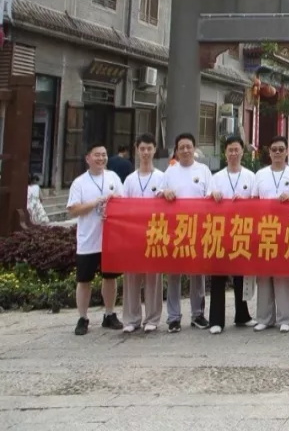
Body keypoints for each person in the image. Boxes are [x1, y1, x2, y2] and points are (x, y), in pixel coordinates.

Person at [68, 142, 125, 335]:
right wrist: (94, 203)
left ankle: (109, 314)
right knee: (84, 280)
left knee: (110, 278)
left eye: (104, 154)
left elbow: (123, 201)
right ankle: (82, 318)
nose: (101, 158)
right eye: (97, 155)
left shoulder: (113, 177)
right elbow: (73, 209)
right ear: (88, 158)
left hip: (109, 239)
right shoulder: (79, 182)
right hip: (88, 240)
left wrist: (114, 202)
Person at [161, 132, 213, 332]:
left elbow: (210, 195)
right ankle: (173, 317)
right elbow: (159, 193)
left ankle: (198, 315)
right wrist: (164, 193)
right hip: (175, 230)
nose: (185, 150)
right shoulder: (170, 171)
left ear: (194, 148)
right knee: (173, 274)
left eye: (188, 146)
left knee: (197, 273)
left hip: (198, 229)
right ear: (176, 150)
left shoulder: (204, 170)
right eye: (181, 147)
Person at [205, 134, 257, 334]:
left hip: (241, 232)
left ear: (242, 152)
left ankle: (242, 315)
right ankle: (216, 320)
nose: (233, 153)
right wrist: (213, 196)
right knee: (218, 276)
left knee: (240, 276)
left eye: (237, 149)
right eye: (230, 150)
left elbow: (256, 203)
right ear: (225, 153)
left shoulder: (250, 177)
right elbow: (206, 203)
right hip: (219, 233)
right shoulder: (215, 178)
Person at [252, 135, 289, 331]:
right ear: (269, 153)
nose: (278, 153)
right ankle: (264, 318)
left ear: (287, 152)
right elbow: (253, 200)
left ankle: (285, 319)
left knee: (283, 274)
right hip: (265, 229)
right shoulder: (261, 174)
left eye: (281, 149)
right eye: (274, 149)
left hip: (286, 230)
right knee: (264, 275)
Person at [120, 134, 165, 333]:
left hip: (155, 233)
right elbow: (121, 207)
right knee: (131, 278)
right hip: (133, 236)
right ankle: (131, 319)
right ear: (137, 150)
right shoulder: (129, 180)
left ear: (154, 150)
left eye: (149, 148)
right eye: (142, 149)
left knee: (153, 277)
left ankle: (153, 318)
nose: (146, 152)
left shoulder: (162, 177)